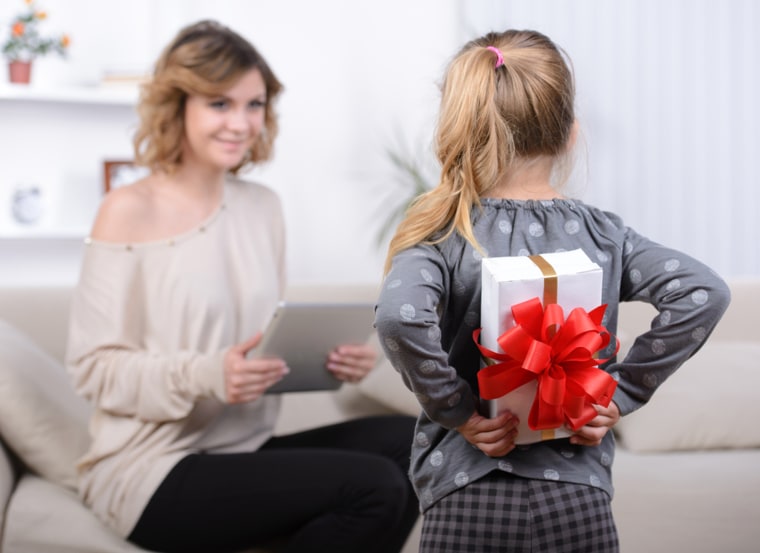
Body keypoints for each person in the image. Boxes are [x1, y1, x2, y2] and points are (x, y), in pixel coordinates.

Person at [66, 20, 418, 553]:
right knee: (374, 489)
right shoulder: (127, 211)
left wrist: (327, 363)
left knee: (417, 446)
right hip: (152, 468)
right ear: (177, 105)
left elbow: (260, 343)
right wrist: (208, 375)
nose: (241, 123)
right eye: (220, 104)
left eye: (254, 105)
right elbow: (93, 369)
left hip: (245, 446)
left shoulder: (263, 208)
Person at [373, 29, 731, 553]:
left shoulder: (445, 237)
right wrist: (622, 392)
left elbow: (398, 318)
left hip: (466, 494)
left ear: (458, 129)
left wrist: (459, 412)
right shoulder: (605, 236)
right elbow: (704, 291)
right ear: (570, 133)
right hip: (578, 497)